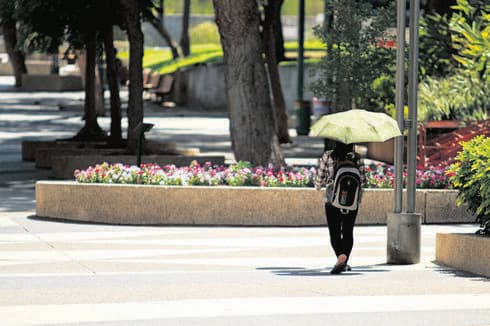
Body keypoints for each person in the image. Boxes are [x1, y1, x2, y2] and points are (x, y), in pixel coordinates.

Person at [314, 141, 364, 274]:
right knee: (348, 231)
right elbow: (363, 180)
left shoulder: (328, 155)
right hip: (352, 201)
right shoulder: (357, 157)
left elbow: (320, 177)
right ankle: (344, 261)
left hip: (332, 199)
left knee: (334, 230)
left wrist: (319, 186)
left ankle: (340, 256)